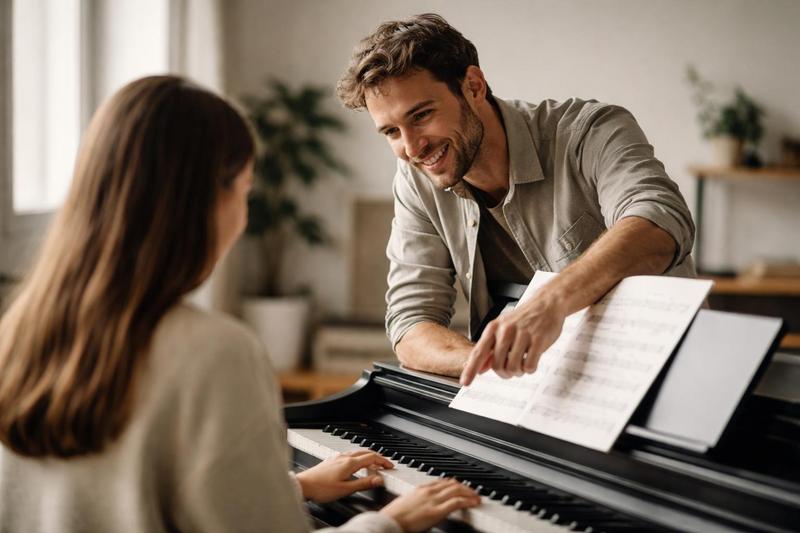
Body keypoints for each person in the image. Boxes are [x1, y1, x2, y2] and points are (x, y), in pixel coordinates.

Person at [0, 75, 479, 532]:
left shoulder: (21, 329)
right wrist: (391, 522)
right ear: (207, 199)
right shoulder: (214, 352)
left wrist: (291, 489)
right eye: (244, 189)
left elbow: (120, 498)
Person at [336, 14, 697, 386]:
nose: (412, 147)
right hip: (539, 392)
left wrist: (550, 303)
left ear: (473, 87)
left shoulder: (590, 131)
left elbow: (659, 220)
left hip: (663, 386)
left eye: (422, 115)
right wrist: (488, 363)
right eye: (392, 132)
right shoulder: (416, 177)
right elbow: (411, 325)